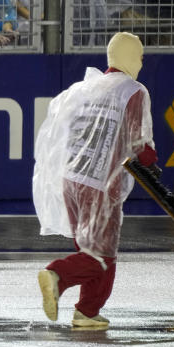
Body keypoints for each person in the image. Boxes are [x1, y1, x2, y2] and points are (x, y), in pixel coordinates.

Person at [33, 32, 157, 330]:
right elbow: (139, 141)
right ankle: (57, 275)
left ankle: (87, 311)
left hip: (70, 178)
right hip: (100, 183)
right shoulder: (133, 90)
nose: (141, 61)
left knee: (92, 250)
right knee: (101, 255)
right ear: (130, 57)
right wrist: (151, 163)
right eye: (139, 55)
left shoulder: (87, 88)